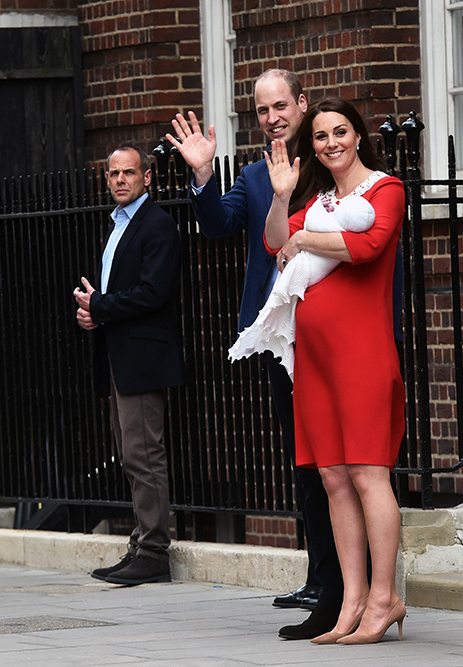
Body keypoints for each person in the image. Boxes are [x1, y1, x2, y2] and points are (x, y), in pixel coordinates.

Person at [166, 69, 343, 640]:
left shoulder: (327, 167)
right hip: (277, 336)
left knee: (332, 462)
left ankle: (342, 581)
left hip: (328, 330)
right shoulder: (249, 174)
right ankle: (321, 577)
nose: (273, 117)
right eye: (263, 110)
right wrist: (201, 173)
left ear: (302, 104)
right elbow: (216, 224)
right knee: (301, 460)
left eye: (281, 106)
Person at [264, 97, 407, 644]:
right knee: (332, 477)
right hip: (316, 361)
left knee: (369, 474)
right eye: (321, 136)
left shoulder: (385, 188)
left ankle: (385, 597)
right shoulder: (319, 202)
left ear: (358, 135)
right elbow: (276, 239)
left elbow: (367, 247)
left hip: (362, 354)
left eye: (340, 132)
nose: (331, 143)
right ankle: (351, 601)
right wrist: (282, 200)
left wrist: (303, 239)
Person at [73, 144, 186, 586]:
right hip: (119, 355)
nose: (121, 179)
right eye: (113, 173)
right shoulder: (117, 225)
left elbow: (153, 292)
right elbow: (117, 295)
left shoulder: (157, 225)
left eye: (129, 173)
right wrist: (93, 312)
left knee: (144, 455)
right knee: (130, 455)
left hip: (144, 359)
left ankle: (155, 551)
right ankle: (141, 545)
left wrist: (100, 306)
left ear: (147, 178)